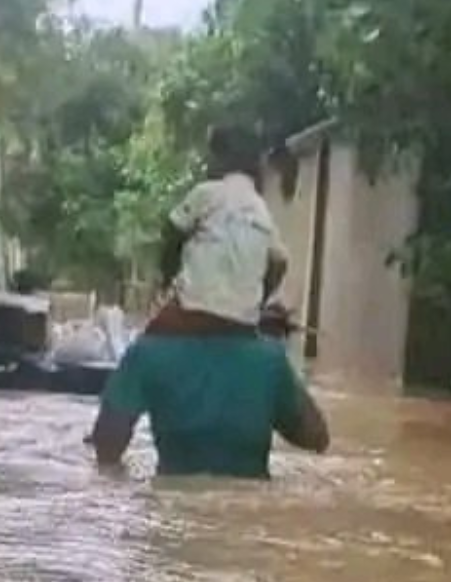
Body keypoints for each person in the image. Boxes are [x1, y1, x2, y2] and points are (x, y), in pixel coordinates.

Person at [88, 330, 329, 478]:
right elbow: (316, 438)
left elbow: (107, 445)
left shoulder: (147, 352)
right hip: (249, 518)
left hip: (172, 510)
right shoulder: (270, 360)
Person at [147, 124, 289, 337]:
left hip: (194, 311)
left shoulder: (206, 193)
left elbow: (172, 233)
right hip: (243, 322)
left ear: (222, 159)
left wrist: (166, 280)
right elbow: (280, 262)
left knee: (151, 341)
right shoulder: (261, 209)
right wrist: (259, 301)